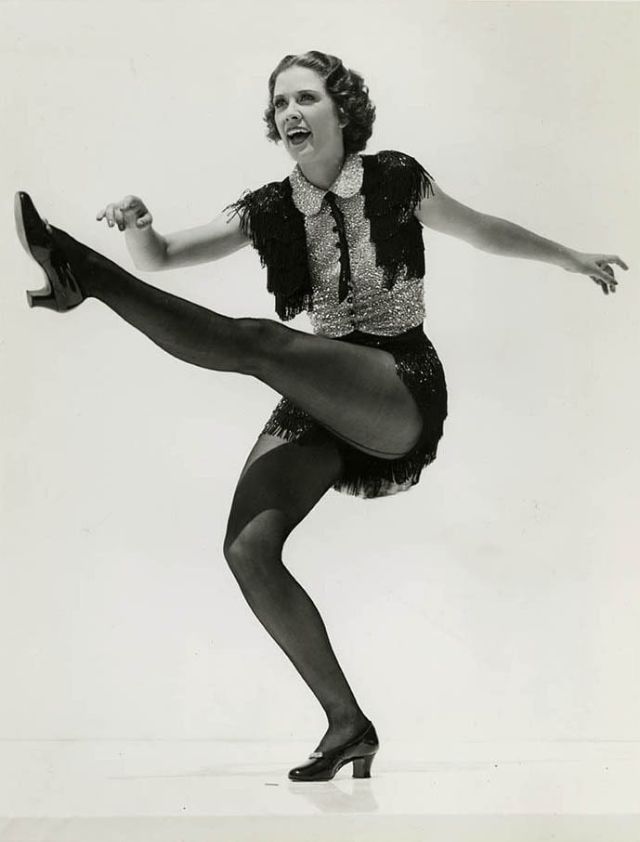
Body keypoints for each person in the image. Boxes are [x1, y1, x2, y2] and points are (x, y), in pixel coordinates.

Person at [14, 50, 627, 782]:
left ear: (342, 110)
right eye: (279, 104)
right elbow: (165, 255)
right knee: (247, 550)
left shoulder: (396, 178)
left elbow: (482, 229)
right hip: (321, 393)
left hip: (398, 383)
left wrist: (568, 257)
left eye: (305, 98)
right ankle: (347, 726)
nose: (290, 114)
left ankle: (80, 272)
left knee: (261, 343)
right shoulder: (271, 207)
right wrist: (140, 227)